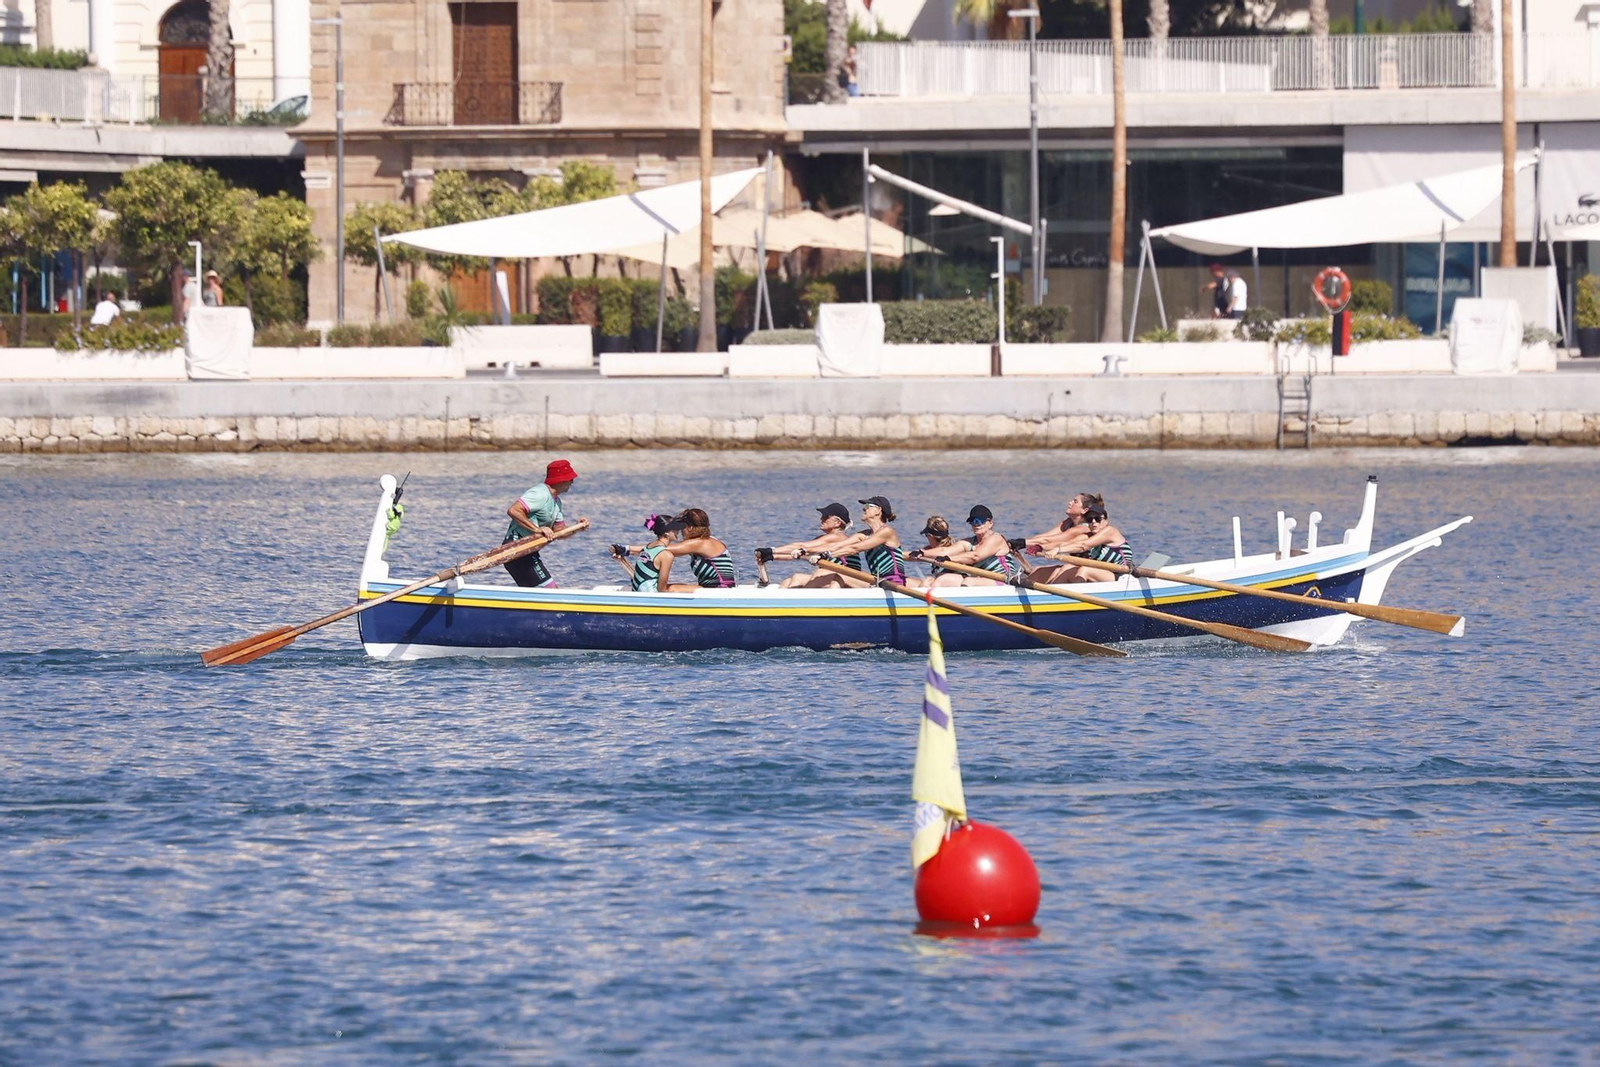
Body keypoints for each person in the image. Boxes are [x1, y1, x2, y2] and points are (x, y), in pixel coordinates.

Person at [502, 458, 580, 587]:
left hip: (529, 551)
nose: (572, 482)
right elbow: (514, 510)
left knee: (536, 593)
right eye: (570, 479)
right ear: (560, 479)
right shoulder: (539, 493)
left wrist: (577, 527)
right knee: (551, 590)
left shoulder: (557, 502)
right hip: (516, 548)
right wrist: (537, 529)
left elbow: (559, 531)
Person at [809, 496, 904, 588]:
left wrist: (827, 555)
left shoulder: (887, 531)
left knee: (840, 577)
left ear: (878, 510)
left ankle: (827, 603)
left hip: (893, 582)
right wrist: (805, 551)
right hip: (877, 580)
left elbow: (854, 548)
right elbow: (839, 545)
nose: (863, 509)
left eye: (867, 506)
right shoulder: (864, 534)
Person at [759, 502, 860, 588]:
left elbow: (801, 545)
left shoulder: (838, 537)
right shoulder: (823, 540)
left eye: (825, 517)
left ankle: (801, 607)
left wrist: (771, 550)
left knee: (820, 573)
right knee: (794, 579)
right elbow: (798, 554)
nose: (821, 519)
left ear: (837, 522)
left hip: (850, 580)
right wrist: (770, 557)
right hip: (833, 577)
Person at [920, 505, 1018, 587]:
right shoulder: (969, 542)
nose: (976, 524)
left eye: (980, 521)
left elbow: (975, 556)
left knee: (969, 581)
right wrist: (921, 553)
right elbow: (944, 551)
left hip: (1006, 582)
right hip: (983, 581)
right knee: (942, 579)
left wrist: (949, 558)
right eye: (972, 521)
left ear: (990, 523)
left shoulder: (996, 538)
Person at [1034, 504, 1133, 584]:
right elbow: (1068, 544)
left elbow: (1083, 546)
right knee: (1066, 568)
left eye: (1098, 519)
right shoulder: (1091, 536)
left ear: (1106, 521)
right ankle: (1049, 595)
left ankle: (1068, 602)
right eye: (1090, 519)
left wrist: (1058, 550)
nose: (1094, 522)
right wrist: (1039, 547)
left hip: (1122, 576)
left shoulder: (1110, 531)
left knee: (1085, 570)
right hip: (1105, 575)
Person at [655, 508, 736, 591]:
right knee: (676, 585)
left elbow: (659, 549)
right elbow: (672, 551)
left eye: (682, 527)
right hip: (719, 588)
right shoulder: (708, 540)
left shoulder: (699, 543)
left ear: (690, 527)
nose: (680, 531)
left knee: (671, 589)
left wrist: (642, 549)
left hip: (720, 589)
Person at [610, 512, 681, 593]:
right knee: (686, 588)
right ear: (666, 534)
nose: (678, 531)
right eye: (675, 529)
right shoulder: (666, 555)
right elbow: (662, 589)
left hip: (637, 590)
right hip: (649, 595)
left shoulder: (648, 547)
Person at [1024, 492, 1103, 557]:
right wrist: (1025, 543)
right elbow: (1046, 536)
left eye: (1075, 502)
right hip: (1075, 565)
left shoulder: (1083, 529)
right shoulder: (1068, 522)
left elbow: (1049, 541)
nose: (1069, 503)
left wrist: (1021, 543)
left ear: (1084, 510)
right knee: (1038, 572)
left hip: (1091, 567)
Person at [904, 515, 972, 589]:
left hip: (957, 585)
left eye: (926, 535)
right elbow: (911, 555)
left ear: (930, 536)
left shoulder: (952, 549)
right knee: (906, 581)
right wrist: (894, 554)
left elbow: (943, 551)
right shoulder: (930, 550)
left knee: (929, 581)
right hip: (940, 584)